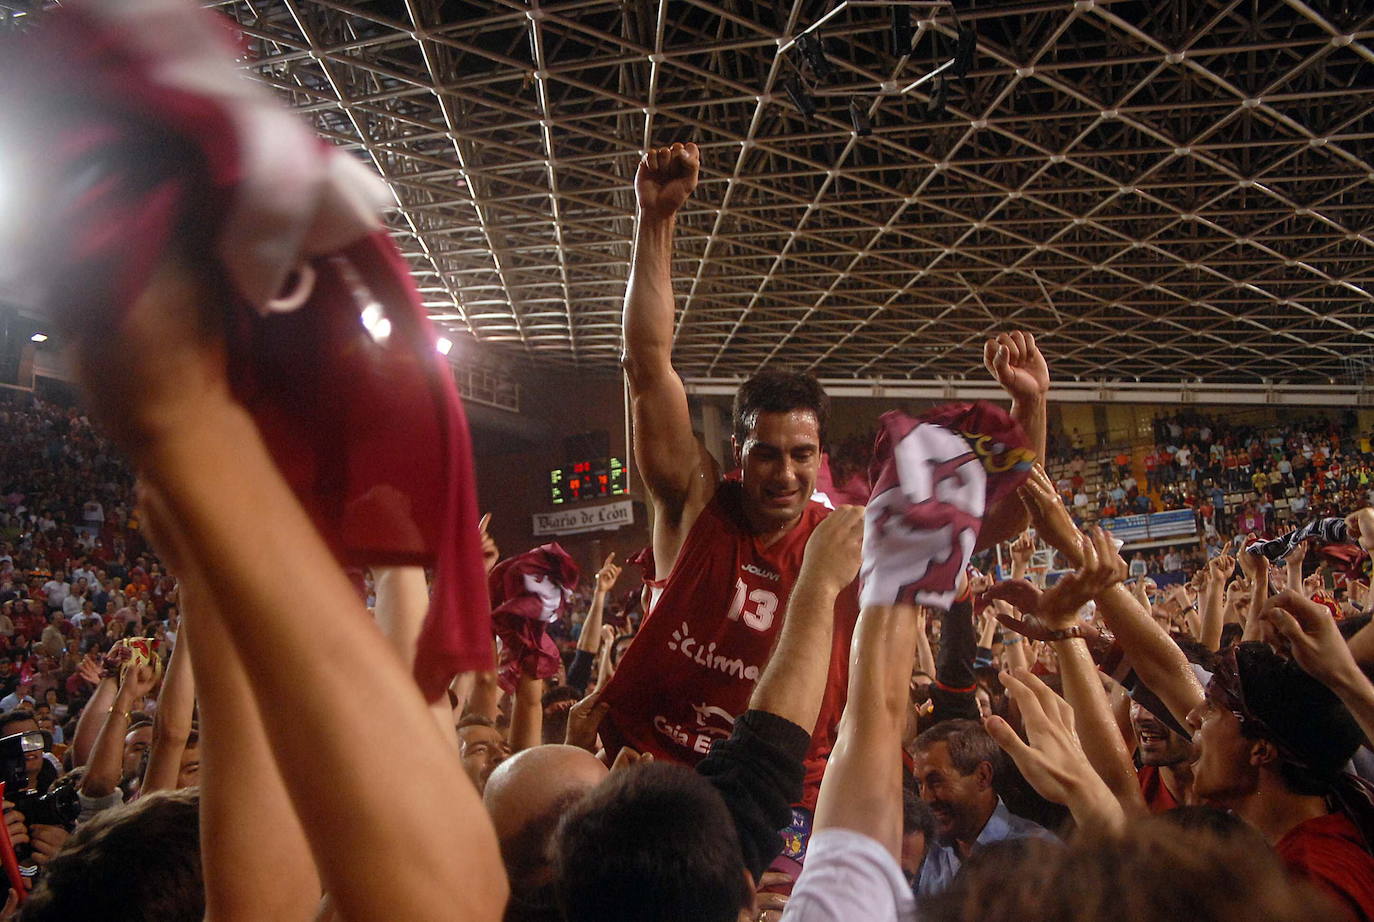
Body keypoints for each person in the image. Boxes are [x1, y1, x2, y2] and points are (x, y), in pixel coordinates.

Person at [600, 141, 1049, 837]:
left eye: (801, 456)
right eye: (767, 456)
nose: (784, 474)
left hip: (780, 805)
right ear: (737, 455)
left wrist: (1029, 409)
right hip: (651, 772)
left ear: (819, 456)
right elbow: (648, 367)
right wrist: (654, 222)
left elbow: (1006, 517)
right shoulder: (693, 506)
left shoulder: (844, 537)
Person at [910, 719, 1051, 898]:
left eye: (936, 781)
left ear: (983, 776)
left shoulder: (1040, 855)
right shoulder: (928, 851)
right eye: (919, 784)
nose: (926, 798)